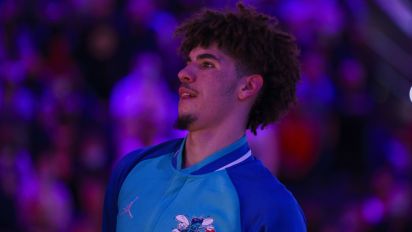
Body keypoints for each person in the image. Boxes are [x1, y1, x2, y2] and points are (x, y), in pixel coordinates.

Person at [103, 3, 306, 232]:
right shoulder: (132, 169)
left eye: (207, 64)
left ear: (248, 87)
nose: (184, 74)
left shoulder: (271, 207)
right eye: (188, 62)